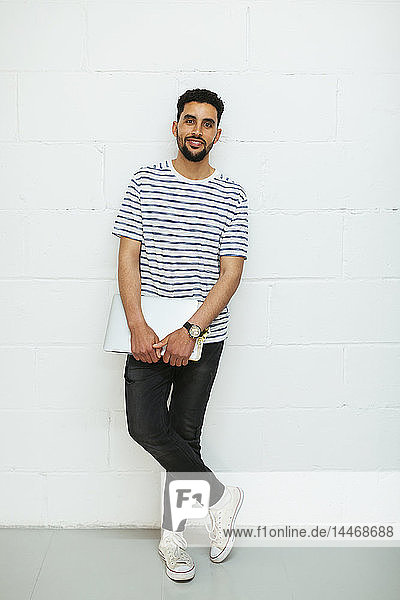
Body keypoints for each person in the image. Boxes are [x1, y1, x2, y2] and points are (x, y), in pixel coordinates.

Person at [111, 88, 248, 582]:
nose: (196, 129)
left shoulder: (231, 193)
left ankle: (172, 540)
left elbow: (230, 273)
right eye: (188, 120)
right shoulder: (144, 182)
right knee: (146, 427)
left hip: (202, 337)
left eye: (206, 123)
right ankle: (220, 497)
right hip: (148, 335)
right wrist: (137, 325)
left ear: (217, 133)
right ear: (176, 127)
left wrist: (192, 329)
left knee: (185, 436)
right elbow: (128, 256)